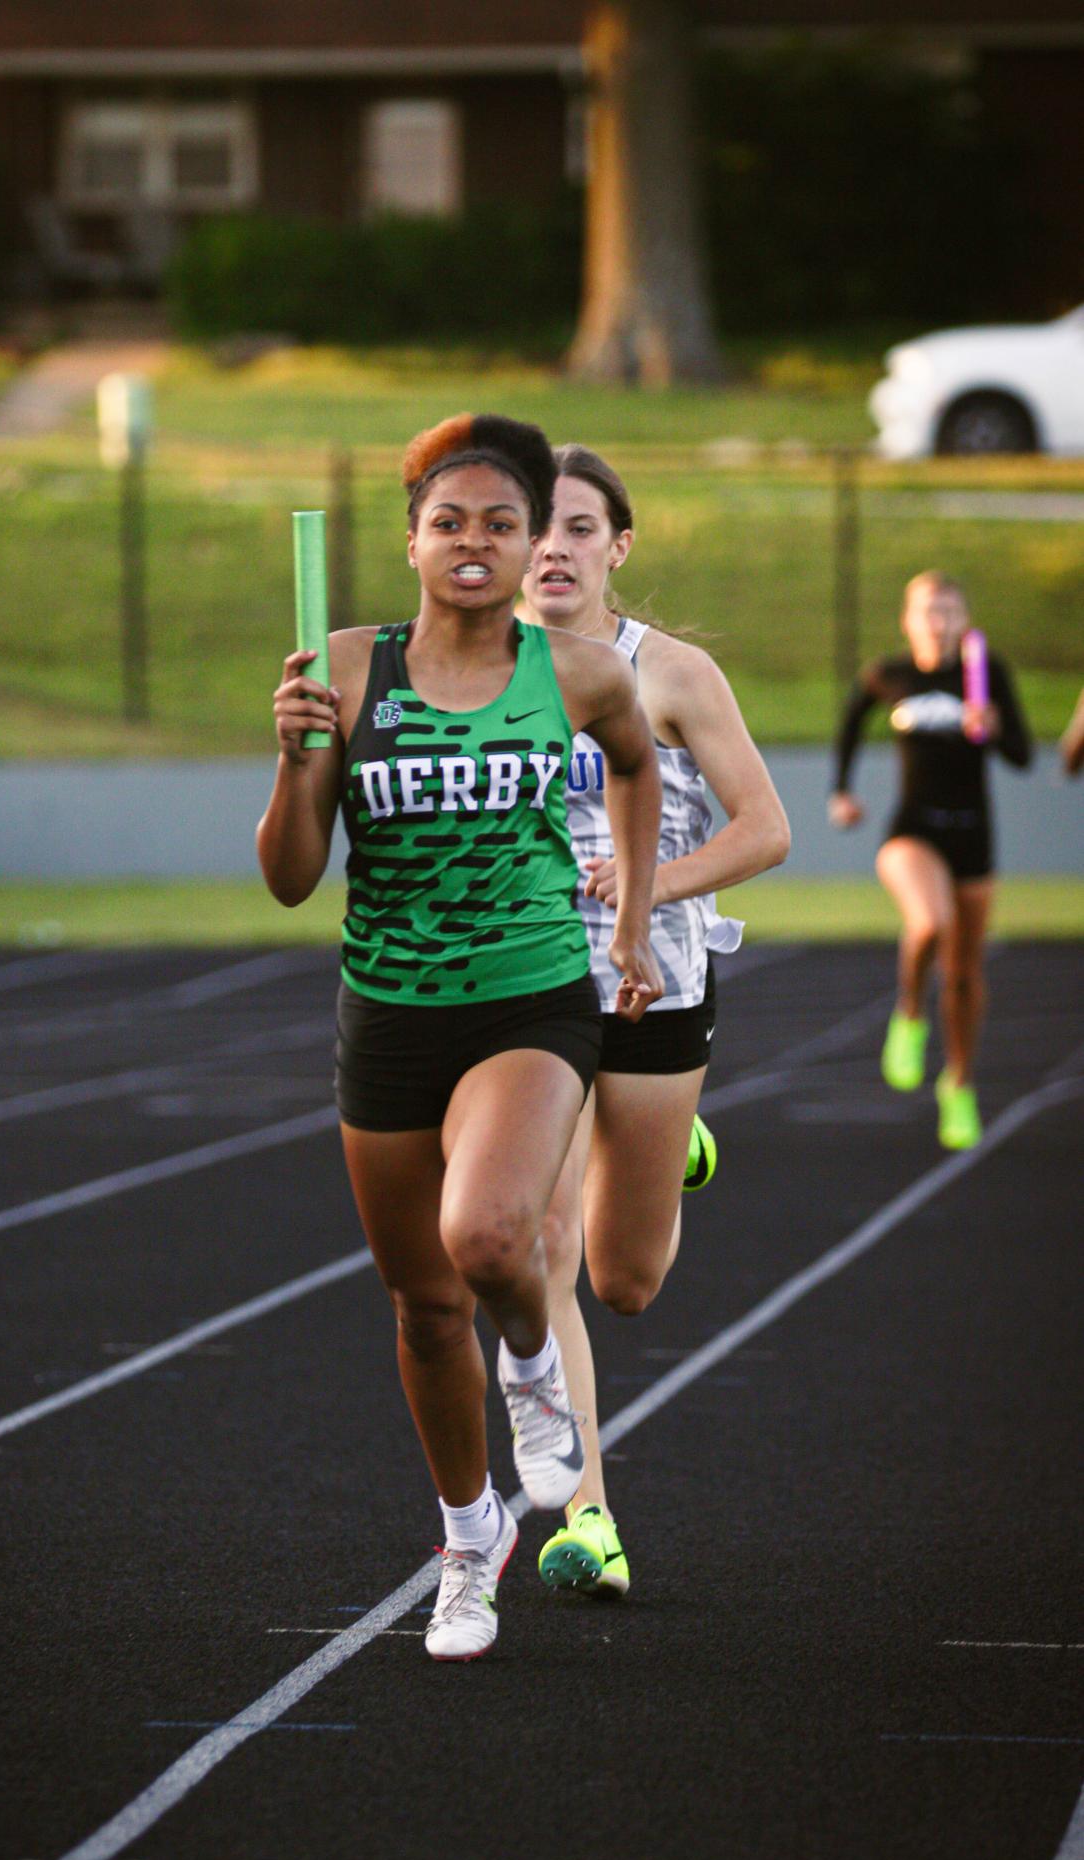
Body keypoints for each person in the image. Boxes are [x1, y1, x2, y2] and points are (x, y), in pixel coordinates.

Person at [257, 414, 665, 1661]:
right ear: (412, 539)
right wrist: (292, 760)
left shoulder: (576, 672)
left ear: (533, 537)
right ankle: (465, 1539)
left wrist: (636, 923)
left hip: (529, 998)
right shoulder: (344, 667)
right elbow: (287, 878)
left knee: (488, 1235)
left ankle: (536, 1372)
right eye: (450, 523)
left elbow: (639, 770)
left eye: (501, 522)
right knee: (425, 1308)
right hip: (386, 1012)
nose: (475, 543)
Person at [519, 445, 790, 1596]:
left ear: (615, 547)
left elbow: (763, 830)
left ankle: (671, 1142)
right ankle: (588, 1512)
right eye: (532, 527)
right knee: (533, 1253)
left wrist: (644, 891)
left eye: (577, 529)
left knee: (623, 1279)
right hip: (523, 995)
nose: (551, 549)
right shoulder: (465, 677)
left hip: (653, 988)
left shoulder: (667, 672)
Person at [828, 570, 1032, 1149]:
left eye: (949, 611)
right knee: (929, 923)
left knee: (965, 974)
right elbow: (850, 720)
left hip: (974, 838)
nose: (939, 622)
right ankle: (911, 1012)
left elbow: (1020, 754)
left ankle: (959, 1083)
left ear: (964, 621)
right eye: (928, 611)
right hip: (911, 830)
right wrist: (841, 791)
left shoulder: (987, 675)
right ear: (908, 620)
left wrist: (989, 728)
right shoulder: (890, 674)